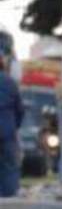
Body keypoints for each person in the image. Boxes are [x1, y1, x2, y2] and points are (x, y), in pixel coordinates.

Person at [0, 54, 24, 197]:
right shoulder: (10, 82)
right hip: (7, 131)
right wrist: (15, 126)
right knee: (9, 165)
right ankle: (8, 197)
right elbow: (19, 109)